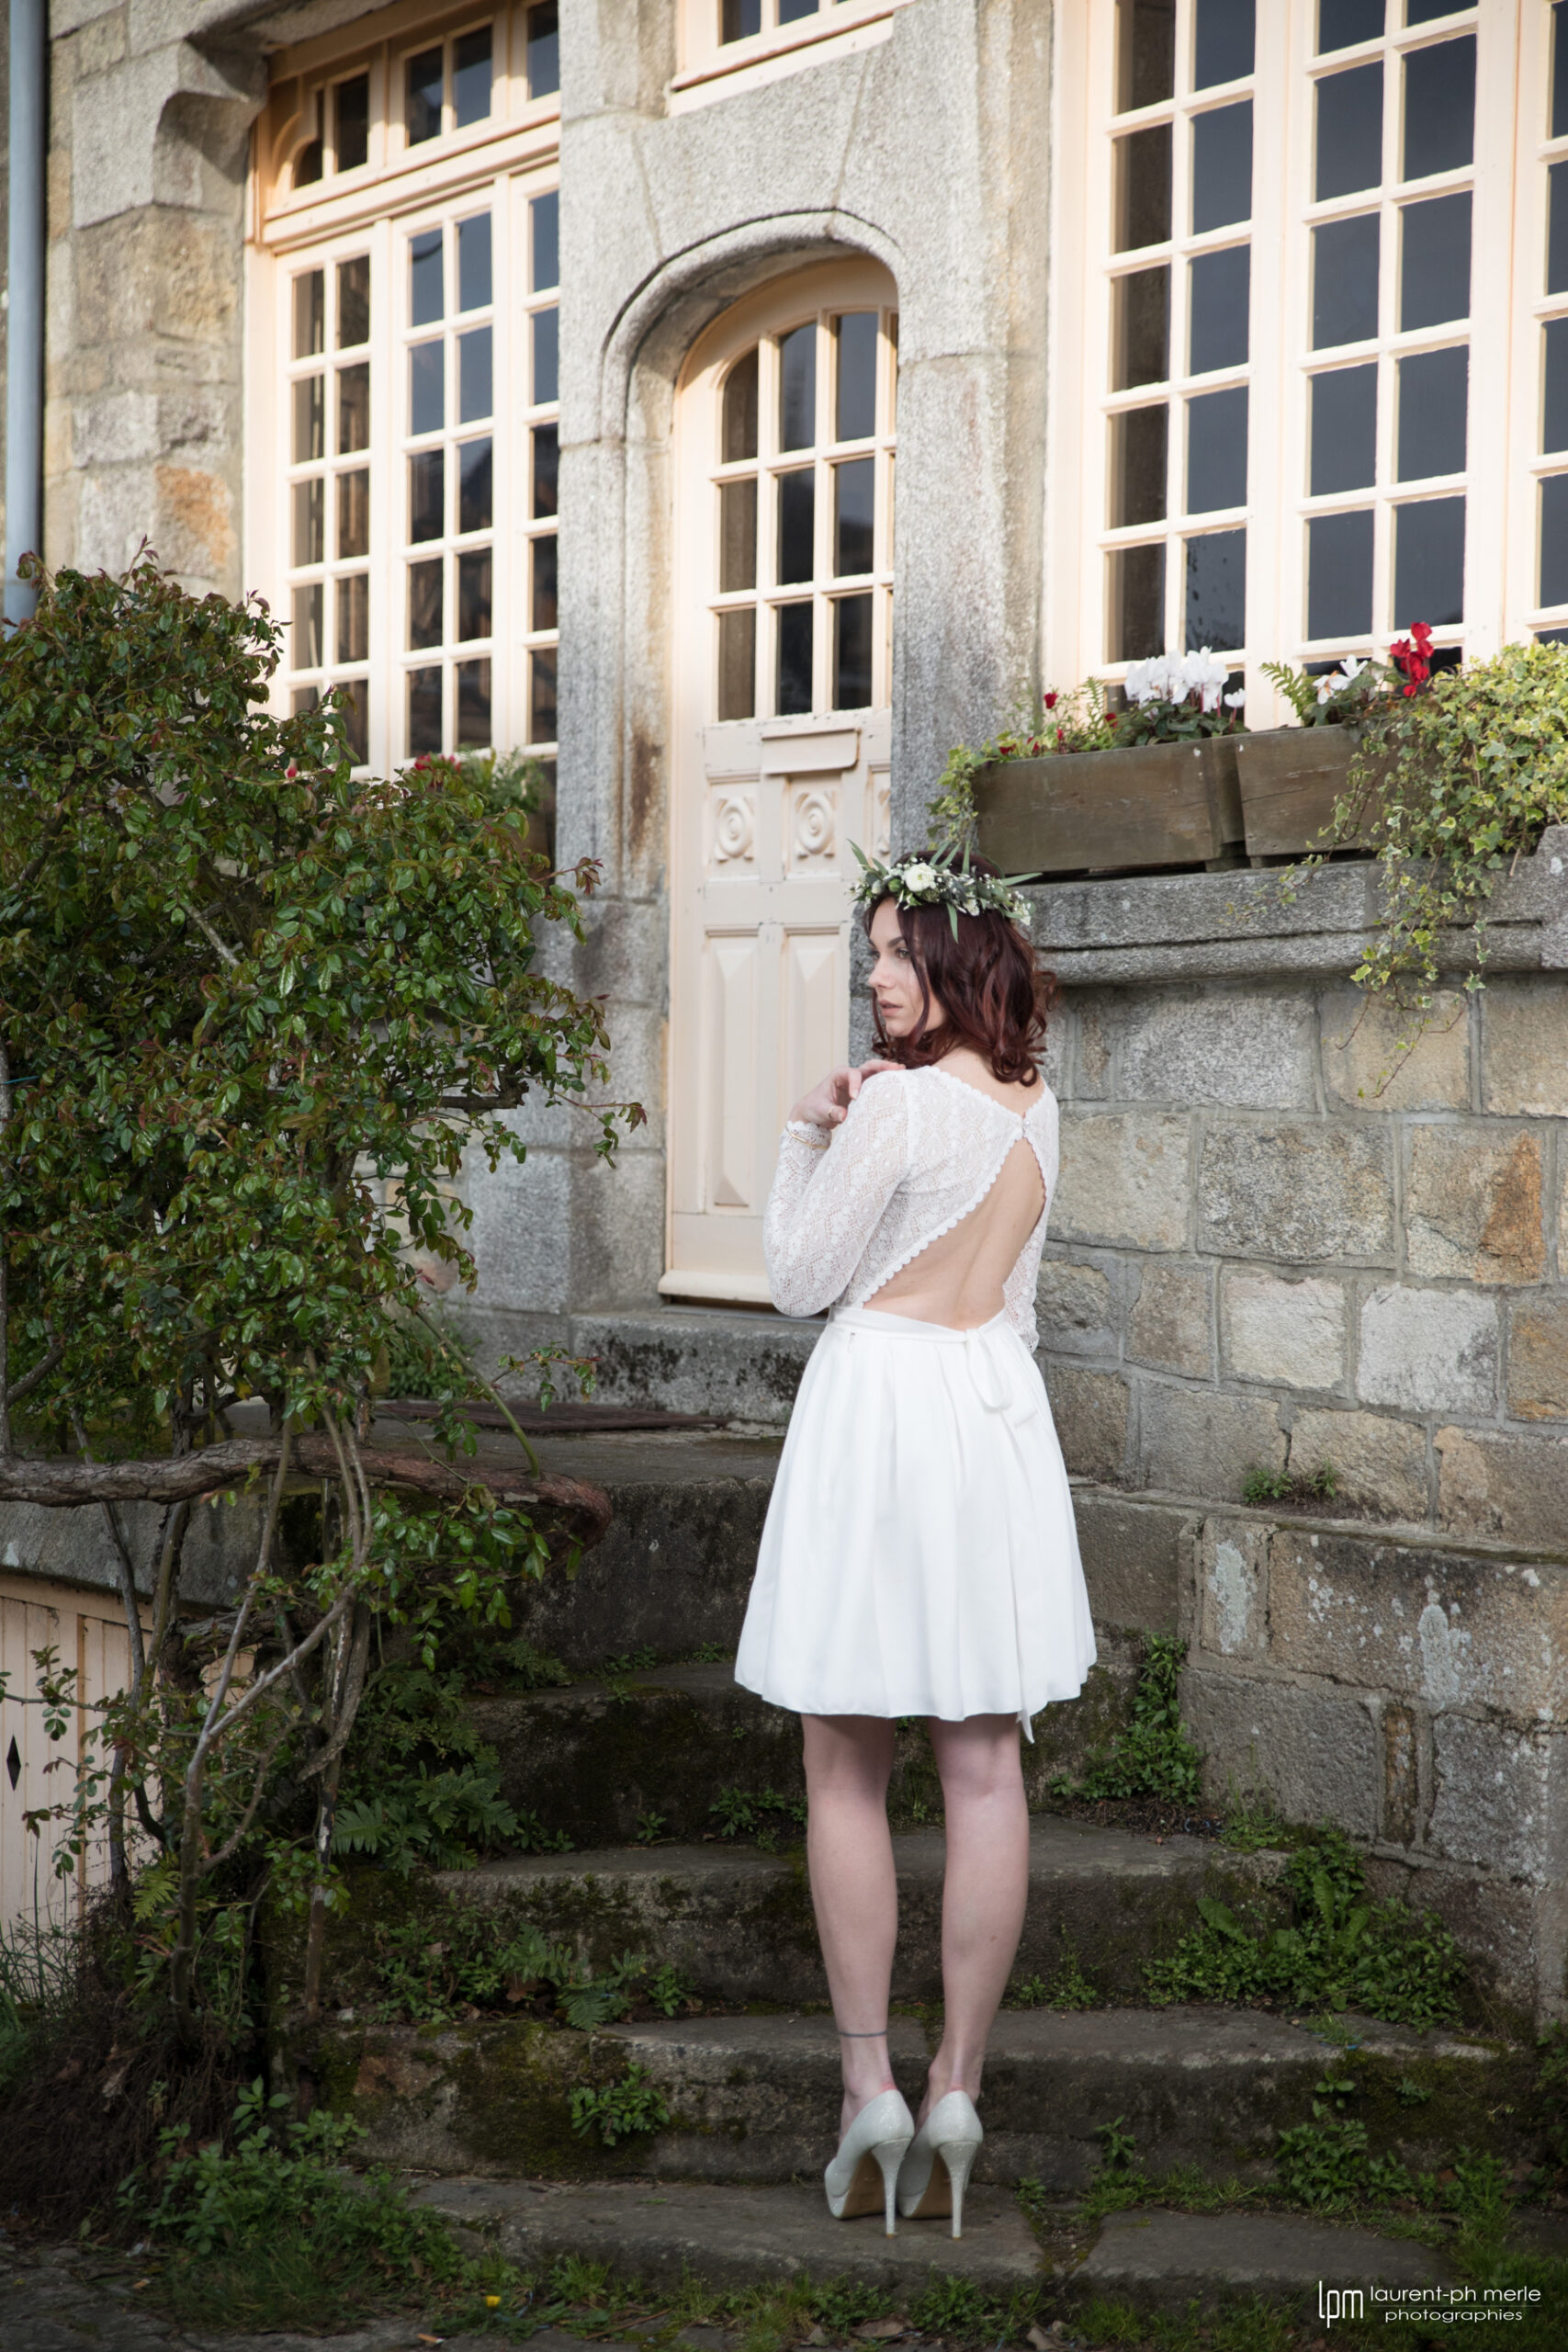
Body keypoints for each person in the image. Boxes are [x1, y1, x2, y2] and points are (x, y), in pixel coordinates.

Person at [734, 848, 1096, 2240]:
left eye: (897, 950)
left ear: (957, 961)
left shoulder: (890, 1110)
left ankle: (867, 2089)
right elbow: (1019, 1296)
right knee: (987, 1763)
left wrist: (801, 1133)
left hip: (883, 1401)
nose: (877, 977)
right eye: (874, 953)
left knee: (845, 1756)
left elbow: (797, 1282)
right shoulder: (1037, 1107)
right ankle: (959, 2088)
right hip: (991, 1411)